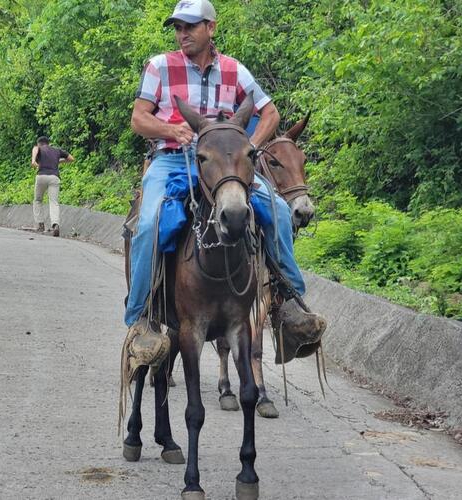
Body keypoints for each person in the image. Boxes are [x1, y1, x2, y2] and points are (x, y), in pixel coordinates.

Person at [125, 0, 326, 363]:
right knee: (149, 222)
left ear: (211, 28)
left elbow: (270, 112)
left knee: (278, 212)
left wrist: (249, 146)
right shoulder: (159, 66)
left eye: (190, 26)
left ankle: (287, 307)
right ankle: (142, 320)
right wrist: (170, 128)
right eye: (178, 27)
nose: (182, 33)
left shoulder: (235, 70)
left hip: (227, 165)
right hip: (173, 161)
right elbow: (139, 119)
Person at [31, 136, 74, 237]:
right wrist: (58, 161)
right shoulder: (56, 150)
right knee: (54, 202)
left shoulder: (38, 148)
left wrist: (33, 160)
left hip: (41, 176)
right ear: (48, 143)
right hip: (54, 177)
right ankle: (55, 225)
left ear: (39, 144)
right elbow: (71, 158)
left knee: (37, 200)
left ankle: (40, 224)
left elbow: (35, 149)